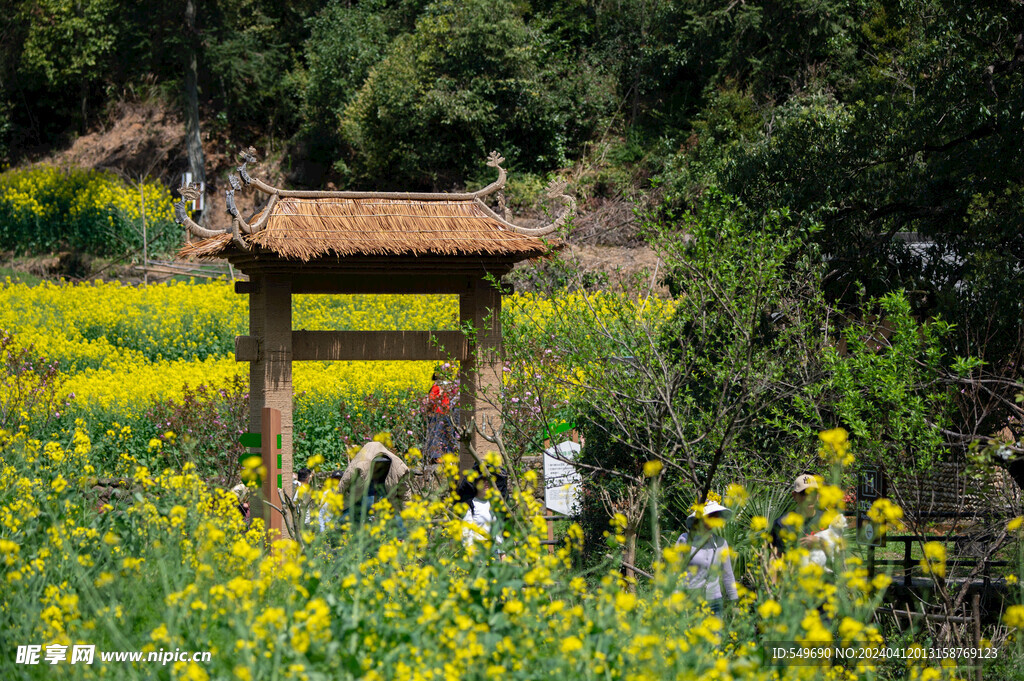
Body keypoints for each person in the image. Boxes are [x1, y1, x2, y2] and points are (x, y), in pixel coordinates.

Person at [676, 500, 738, 615]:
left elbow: (727, 574)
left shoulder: (721, 542)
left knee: (716, 633)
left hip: (715, 600)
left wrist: (734, 601)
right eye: (712, 516)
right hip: (691, 600)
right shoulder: (685, 540)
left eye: (717, 517)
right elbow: (675, 571)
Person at [770, 474, 825, 557]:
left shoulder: (828, 519)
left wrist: (820, 542)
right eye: (804, 493)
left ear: (818, 495)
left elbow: (840, 552)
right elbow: (774, 558)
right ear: (794, 496)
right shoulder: (782, 524)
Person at [460, 464, 505, 555]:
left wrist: (502, 553)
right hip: (478, 553)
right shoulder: (470, 504)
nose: (486, 483)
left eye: (488, 480)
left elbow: (498, 530)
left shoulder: (495, 503)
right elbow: (466, 532)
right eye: (482, 480)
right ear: (475, 483)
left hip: (494, 552)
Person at [424, 370, 458, 462]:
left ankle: (449, 454)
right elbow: (431, 399)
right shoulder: (436, 387)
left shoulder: (445, 386)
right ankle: (436, 457)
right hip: (438, 413)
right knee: (437, 434)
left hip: (445, 413)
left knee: (447, 434)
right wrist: (440, 393)